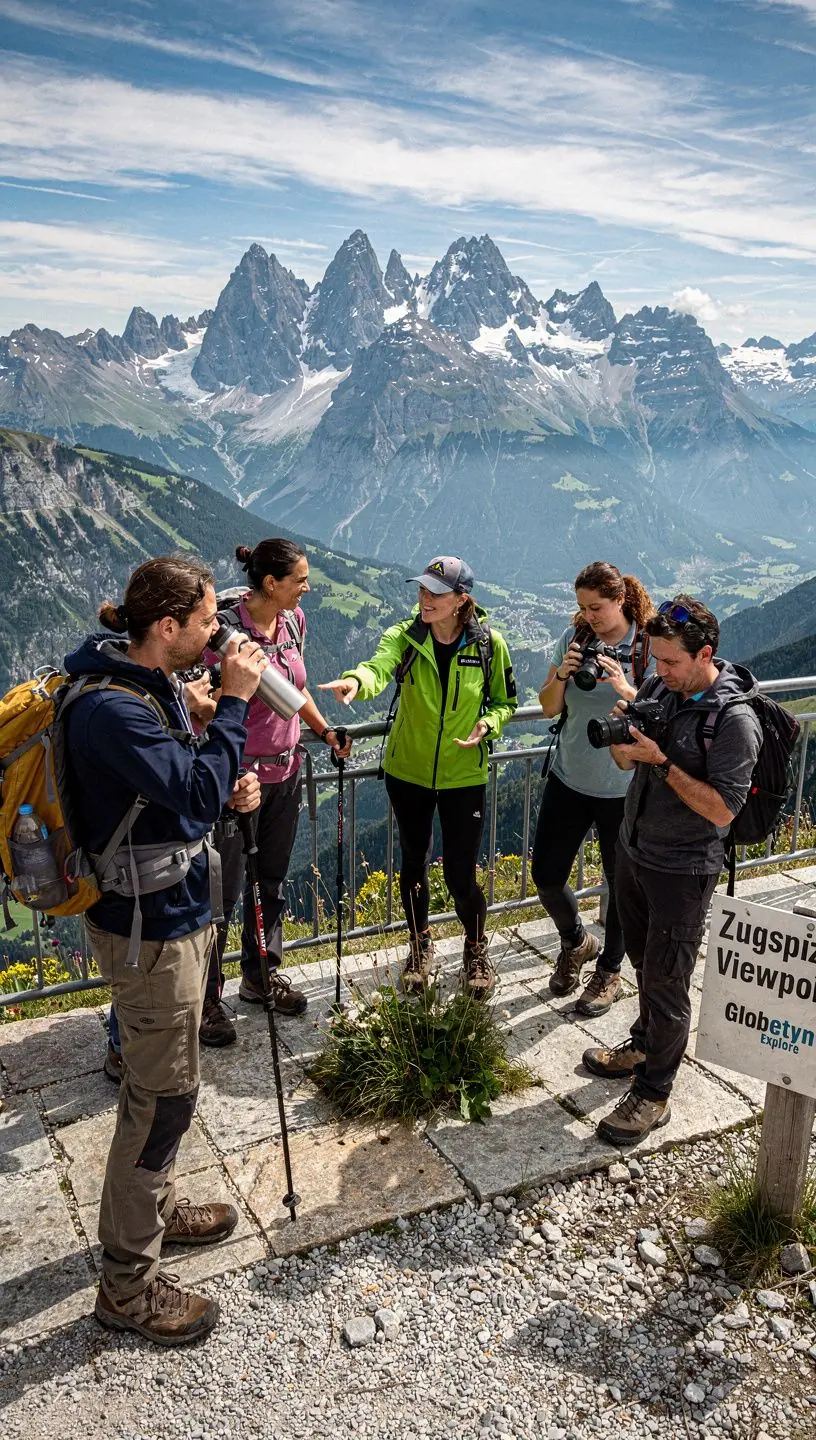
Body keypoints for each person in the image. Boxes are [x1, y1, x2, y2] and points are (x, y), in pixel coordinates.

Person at [64, 555, 266, 1345]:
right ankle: (128, 1287)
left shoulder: (143, 687)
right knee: (161, 1099)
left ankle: (156, 1208)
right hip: (149, 934)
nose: (221, 633)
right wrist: (239, 710)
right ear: (168, 627)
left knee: (166, 1086)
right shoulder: (114, 710)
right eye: (211, 620)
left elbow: (185, 788)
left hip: (171, 913)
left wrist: (225, 778)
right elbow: (187, 791)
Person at [583, 595, 762, 1144]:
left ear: (705, 652)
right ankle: (643, 1042)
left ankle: (655, 1093)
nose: (657, 673)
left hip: (684, 869)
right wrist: (625, 741)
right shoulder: (663, 687)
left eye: (670, 662)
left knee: (668, 980)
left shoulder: (733, 721)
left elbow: (722, 810)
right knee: (645, 964)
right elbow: (622, 762)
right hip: (636, 851)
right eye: (655, 660)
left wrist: (661, 761)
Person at [319, 555, 517, 999]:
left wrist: (488, 724)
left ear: (461, 599)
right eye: (422, 589)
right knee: (413, 863)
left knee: (461, 876)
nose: (424, 598)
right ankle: (419, 945)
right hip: (407, 772)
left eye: (435, 592)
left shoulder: (489, 644)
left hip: (464, 775)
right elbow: (378, 666)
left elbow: (505, 701)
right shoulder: (405, 637)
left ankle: (475, 946)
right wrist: (356, 681)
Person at [196, 539, 352, 1047]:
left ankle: (261, 975)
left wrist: (325, 731)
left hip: (285, 773)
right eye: (299, 580)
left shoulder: (292, 625)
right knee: (223, 892)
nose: (307, 587)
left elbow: (297, 689)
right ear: (270, 583)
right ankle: (207, 1000)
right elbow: (199, 705)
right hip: (238, 783)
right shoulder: (222, 637)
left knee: (272, 883)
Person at [532, 562, 655, 1016]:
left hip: (625, 788)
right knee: (546, 876)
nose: (590, 616)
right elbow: (547, 708)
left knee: (621, 886)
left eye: (597, 608)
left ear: (620, 600)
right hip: (570, 777)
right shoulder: (576, 640)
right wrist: (562, 675)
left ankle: (609, 970)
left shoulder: (646, 646)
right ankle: (576, 941)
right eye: (582, 608)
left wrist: (626, 686)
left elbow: (663, 715)